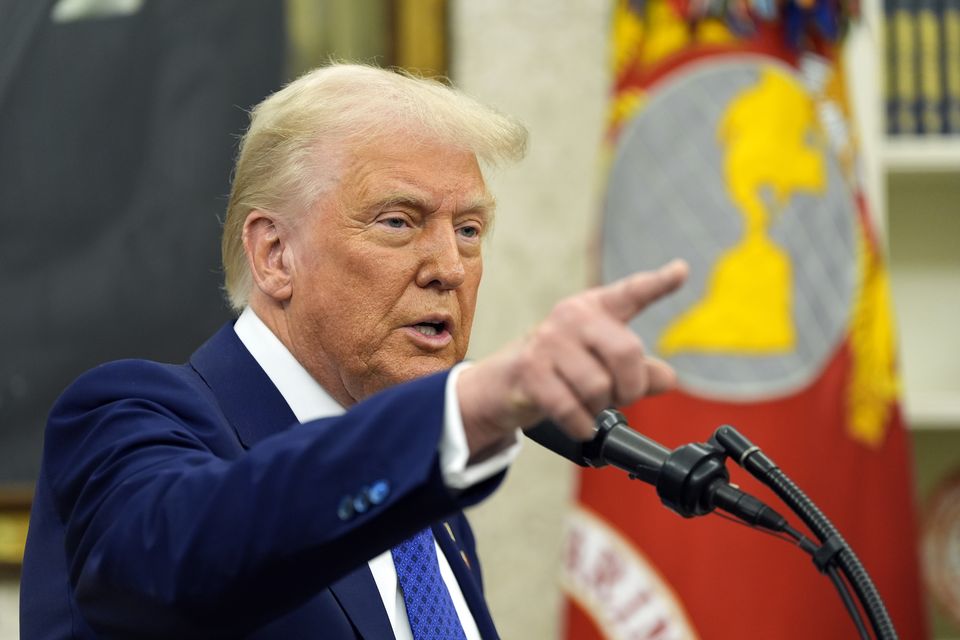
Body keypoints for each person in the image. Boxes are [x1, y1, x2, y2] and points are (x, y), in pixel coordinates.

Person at [20, 63, 688, 638]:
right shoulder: (131, 415)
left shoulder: (433, 516)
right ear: (276, 255)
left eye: (469, 228)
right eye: (399, 221)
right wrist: (464, 411)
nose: (449, 267)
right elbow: (180, 560)